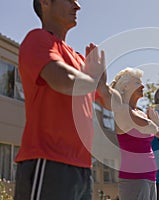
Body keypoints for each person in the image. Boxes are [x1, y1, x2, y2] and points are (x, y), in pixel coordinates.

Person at [14, 0, 122, 199]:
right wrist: (94, 80)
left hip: (82, 169)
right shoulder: (37, 39)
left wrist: (101, 85)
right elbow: (64, 80)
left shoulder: (81, 61)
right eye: (70, 0)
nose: (77, 6)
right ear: (45, 2)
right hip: (47, 162)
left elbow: (114, 103)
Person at [110, 67, 159, 200]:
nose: (143, 85)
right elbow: (152, 128)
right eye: (137, 83)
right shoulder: (122, 111)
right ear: (125, 87)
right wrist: (157, 127)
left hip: (149, 177)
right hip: (134, 178)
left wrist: (157, 127)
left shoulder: (139, 112)